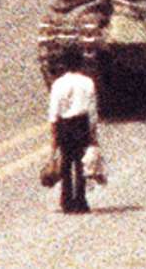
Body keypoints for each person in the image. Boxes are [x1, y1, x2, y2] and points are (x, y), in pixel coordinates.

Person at [46, 49, 98, 213]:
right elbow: (92, 110)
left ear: (64, 65)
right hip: (81, 123)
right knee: (81, 164)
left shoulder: (58, 84)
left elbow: (54, 111)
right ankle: (81, 200)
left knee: (66, 163)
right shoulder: (87, 82)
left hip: (65, 124)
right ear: (81, 63)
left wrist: (54, 137)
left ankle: (66, 200)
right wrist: (93, 133)